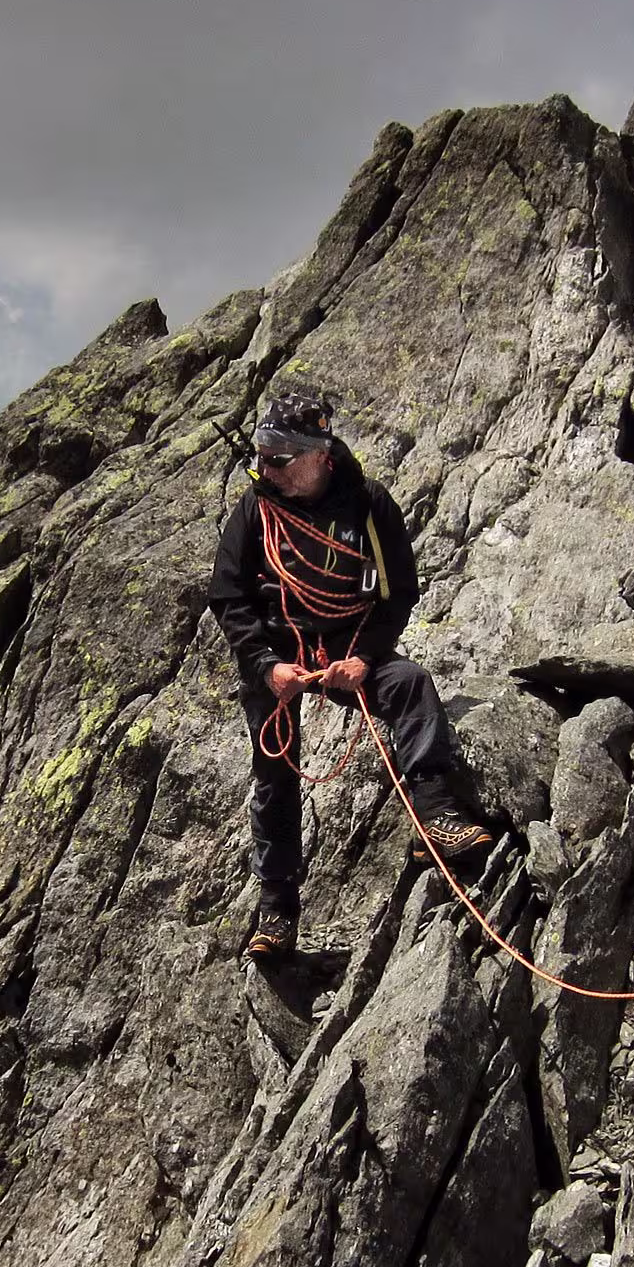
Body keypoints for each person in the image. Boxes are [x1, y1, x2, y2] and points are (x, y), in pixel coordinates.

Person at [207, 389, 490, 958]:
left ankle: (436, 820)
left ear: (321, 455)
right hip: (276, 649)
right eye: (262, 454)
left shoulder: (366, 504)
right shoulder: (254, 509)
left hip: (345, 644)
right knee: (275, 776)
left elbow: (398, 592)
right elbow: (228, 596)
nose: (267, 468)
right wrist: (265, 667)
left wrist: (363, 658)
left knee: (409, 684)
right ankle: (278, 909)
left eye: (281, 458)